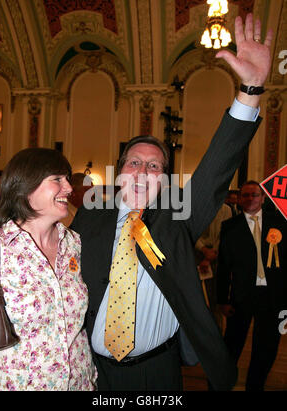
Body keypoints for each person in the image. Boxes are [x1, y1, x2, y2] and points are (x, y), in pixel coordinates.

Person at [71, 14, 273, 391]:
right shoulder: (89, 218)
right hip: (91, 373)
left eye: (154, 166)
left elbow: (216, 169)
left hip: (158, 373)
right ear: (119, 173)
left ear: (164, 181)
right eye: (135, 162)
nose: (144, 171)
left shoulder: (176, 218)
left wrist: (251, 88)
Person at [0, 148, 97, 391]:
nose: (68, 188)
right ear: (26, 187)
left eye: (67, 179)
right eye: (57, 179)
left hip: (78, 383)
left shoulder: (74, 244)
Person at [217, 181, 287, 391]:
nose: (250, 199)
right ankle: (220, 384)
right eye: (245, 195)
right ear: (239, 199)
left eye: (254, 195)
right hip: (241, 297)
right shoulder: (230, 226)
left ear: (263, 198)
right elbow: (223, 266)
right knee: (232, 346)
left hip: (273, 298)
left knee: (266, 348)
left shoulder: (281, 223)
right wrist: (222, 299)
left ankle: (255, 386)